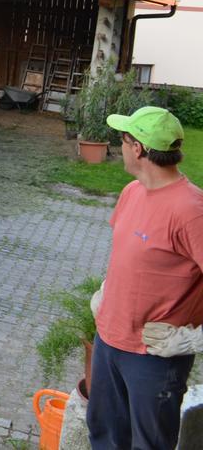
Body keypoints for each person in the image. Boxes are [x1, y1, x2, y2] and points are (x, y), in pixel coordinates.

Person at [86, 106, 203, 449]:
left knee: (148, 445)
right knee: (104, 434)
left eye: (122, 139)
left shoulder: (191, 210)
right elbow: (130, 258)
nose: (119, 147)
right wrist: (107, 294)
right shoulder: (132, 192)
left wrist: (196, 337)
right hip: (109, 342)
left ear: (137, 148)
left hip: (154, 356)